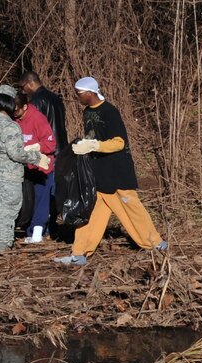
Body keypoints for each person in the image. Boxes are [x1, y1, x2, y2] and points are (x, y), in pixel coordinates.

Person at [54, 77, 167, 266]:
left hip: (117, 171)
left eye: (79, 94)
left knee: (131, 209)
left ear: (89, 93)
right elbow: (93, 137)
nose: (78, 97)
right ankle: (79, 253)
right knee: (90, 212)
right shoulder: (87, 112)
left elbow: (119, 142)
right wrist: (85, 145)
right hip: (98, 172)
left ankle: (156, 244)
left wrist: (94, 145)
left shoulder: (110, 112)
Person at [0, 84, 49, 252]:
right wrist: (36, 157)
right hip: (9, 175)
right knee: (9, 209)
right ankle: (5, 245)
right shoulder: (11, 126)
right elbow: (16, 154)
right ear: (10, 105)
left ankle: (0, 239)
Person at [13, 92, 57, 243]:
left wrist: (37, 146)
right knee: (28, 201)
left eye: (17, 110)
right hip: (24, 168)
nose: (15, 113)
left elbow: (51, 143)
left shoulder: (38, 118)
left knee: (41, 200)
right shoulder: (15, 120)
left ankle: (37, 232)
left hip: (41, 167)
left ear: (25, 107)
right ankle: (30, 230)